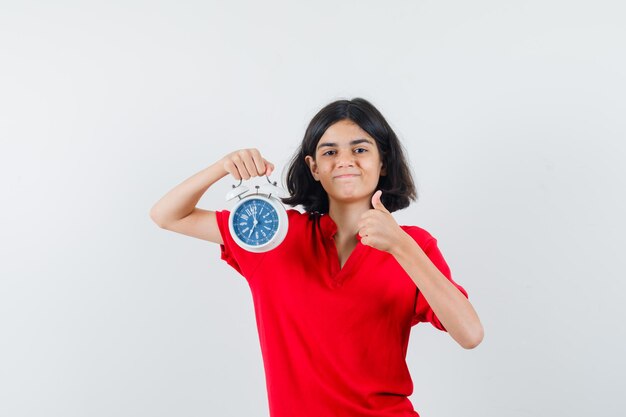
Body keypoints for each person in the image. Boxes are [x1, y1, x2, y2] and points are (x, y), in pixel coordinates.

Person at [150, 98, 484, 417]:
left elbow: (470, 333)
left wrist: (400, 246)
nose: (345, 160)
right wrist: (223, 166)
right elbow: (168, 215)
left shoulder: (414, 246)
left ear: (383, 162)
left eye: (360, 149)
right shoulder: (274, 236)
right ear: (313, 167)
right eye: (329, 151)